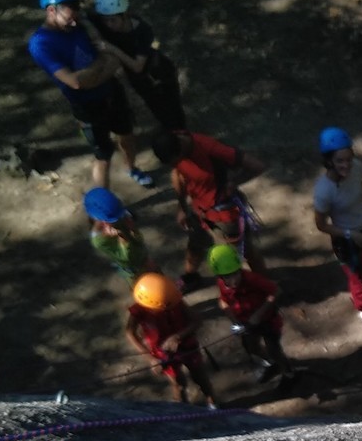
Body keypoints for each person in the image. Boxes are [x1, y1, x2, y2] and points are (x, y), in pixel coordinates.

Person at [27, 0, 152, 189]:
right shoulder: (41, 44)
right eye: (69, 16)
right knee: (103, 154)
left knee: (127, 134)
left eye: (76, 14)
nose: (74, 21)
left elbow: (112, 60)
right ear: (51, 11)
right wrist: (100, 66)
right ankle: (103, 202)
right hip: (87, 107)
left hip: (112, 92)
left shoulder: (79, 25)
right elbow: (75, 82)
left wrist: (92, 75)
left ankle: (132, 169)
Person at [153, 127, 267, 287]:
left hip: (225, 215)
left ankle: (265, 286)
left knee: (244, 252)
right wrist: (182, 206)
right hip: (199, 212)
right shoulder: (176, 145)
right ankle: (191, 277)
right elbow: (178, 174)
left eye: (176, 160)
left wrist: (234, 182)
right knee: (195, 245)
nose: (176, 164)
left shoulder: (211, 149)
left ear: (180, 148)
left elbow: (257, 166)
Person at [312, 126, 362, 336]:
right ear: (329, 161)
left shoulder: (357, 167)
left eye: (348, 159)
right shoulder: (324, 191)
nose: (346, 165)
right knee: (358, 280)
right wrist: (351, 235)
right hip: (346, 240)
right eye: (340, 161)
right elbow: (321, 225)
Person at [87, 0, 187, 133]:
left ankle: (182, 136)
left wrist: (112, 49)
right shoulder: (103, 22)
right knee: (158, 111)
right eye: (105, 20)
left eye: (113, 20)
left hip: (157, 74)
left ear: (124, 14)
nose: (109, 25)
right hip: (140, 80)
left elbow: (137, 66)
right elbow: (84, 18)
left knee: (173, 112)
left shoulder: (142, 31)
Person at [207, 244, 297, 385]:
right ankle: (271, 364)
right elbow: (223, 301)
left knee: (274, 350)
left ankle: (289, 374)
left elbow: (276, 291)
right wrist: (234, 320)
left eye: (235, 274)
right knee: (252, 348)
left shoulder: (251, 279)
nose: (233, 280)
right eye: (227, 277)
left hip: (268, 321)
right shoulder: (222, 284)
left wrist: (258, 314)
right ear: (220, 276)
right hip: (246, 323)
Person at [124, 272, 217, 406]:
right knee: (178, 384)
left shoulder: (172, 298)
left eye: (168, 305)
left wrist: (178, 336)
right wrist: (150, 359)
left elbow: (196, 321)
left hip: (187, 346)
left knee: (200, 377)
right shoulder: (138, 310)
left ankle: (213, 403)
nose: (167, 308)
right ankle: (182, 409)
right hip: (162, 353)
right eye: (163, 306)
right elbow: (130, 332)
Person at [83, 186, 153, 282]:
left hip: (144, 258)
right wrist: (123, 239)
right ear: (98, 218)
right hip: (133, 271)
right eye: (114, 220)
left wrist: (132, 229)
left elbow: (139, 240)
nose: (120, 219)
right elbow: (126, 258)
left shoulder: (119, 215)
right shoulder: (99, 241)